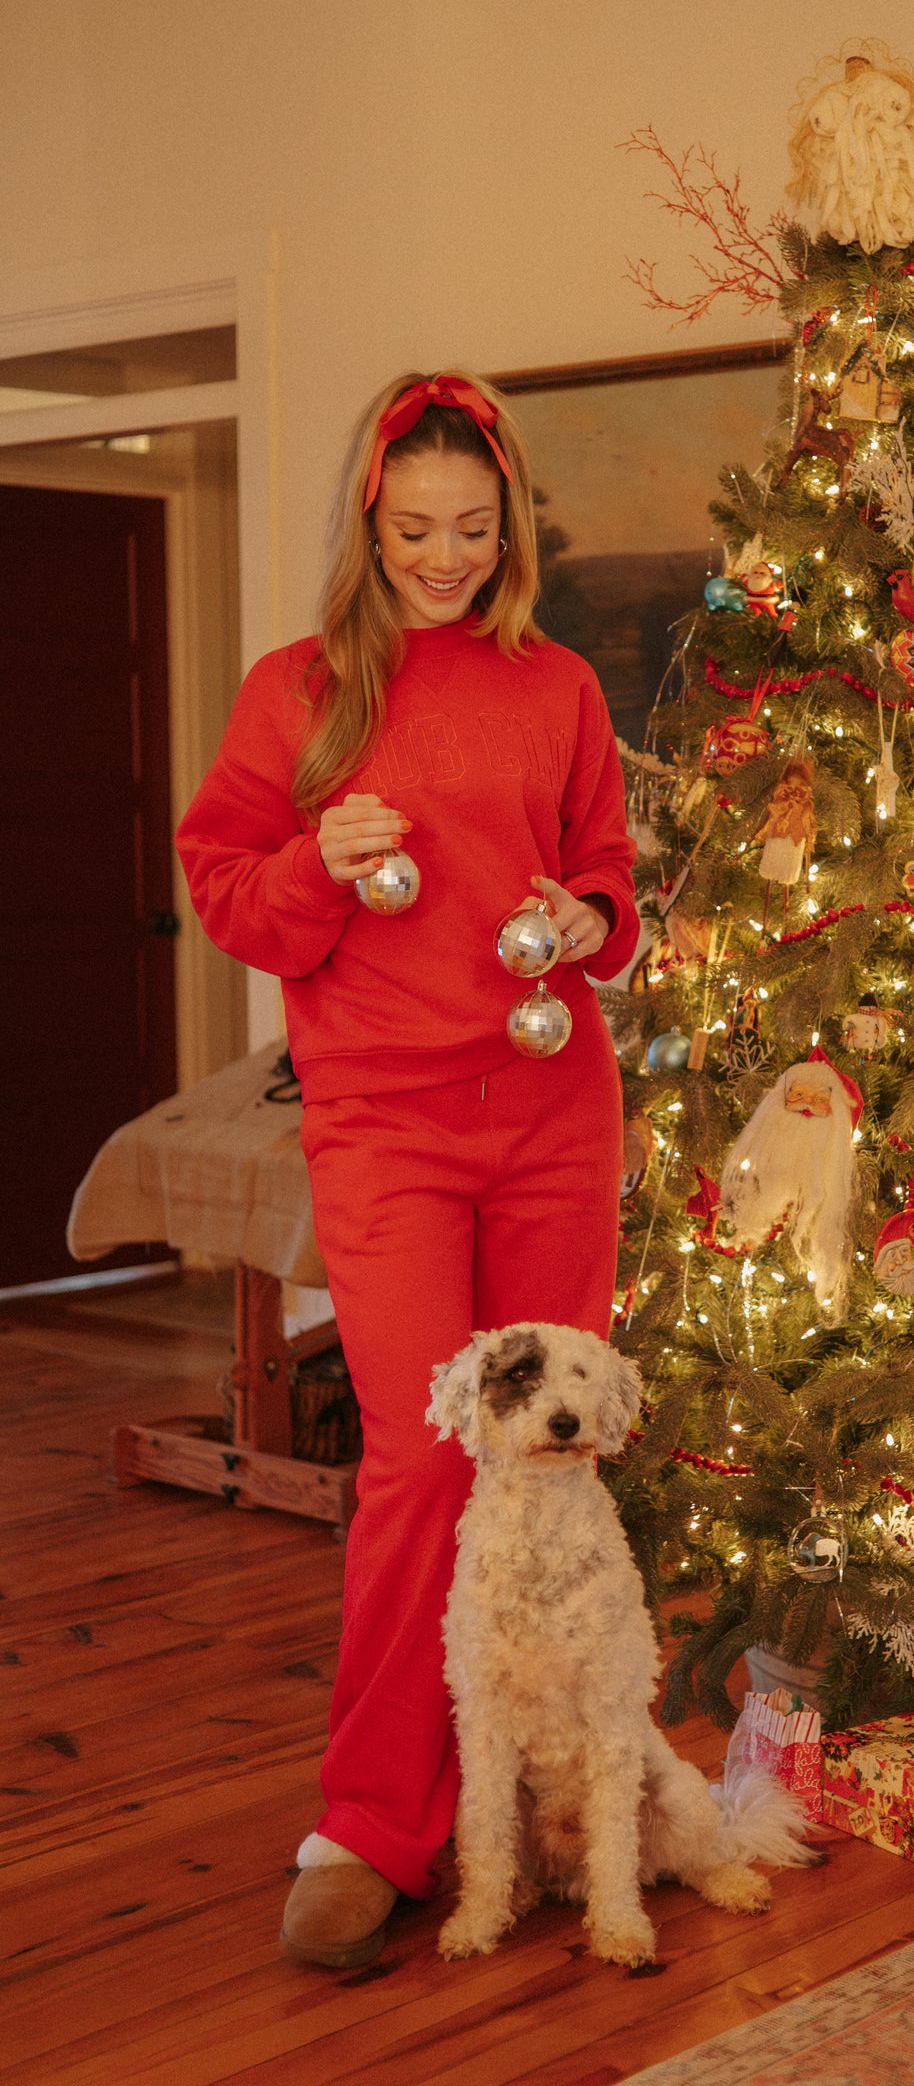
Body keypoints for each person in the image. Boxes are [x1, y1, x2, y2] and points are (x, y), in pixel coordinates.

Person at [177, 371, 639, 1968]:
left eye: (473, 527)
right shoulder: (297, 691)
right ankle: (376, 1822)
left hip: (550, 1111)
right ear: (368, 519)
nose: (443, 557)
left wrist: (590, 918)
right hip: (384, 1122)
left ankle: (556, 1801)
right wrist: (318, 859)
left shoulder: (558, 685)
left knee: (549, 1461)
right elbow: (230, 895)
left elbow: (604, 874)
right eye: (415, 528)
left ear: (507, 523)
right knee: (417, 1463)